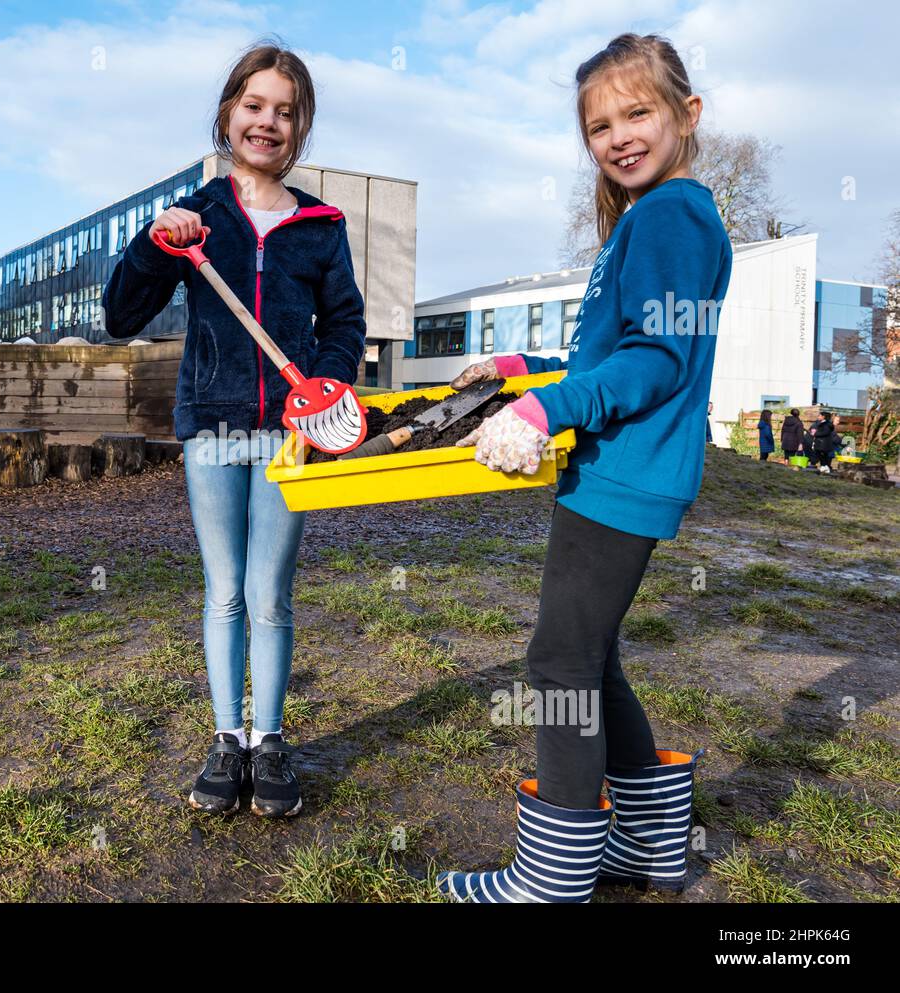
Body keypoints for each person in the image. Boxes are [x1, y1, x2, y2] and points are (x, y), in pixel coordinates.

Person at [437, 33, 732, 904]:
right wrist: (525, 373)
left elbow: (656, 361)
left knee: (559, 664)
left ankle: (555, 876)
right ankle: (649, 844)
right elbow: (611, 350)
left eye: (638, 112)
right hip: (620, 470)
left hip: (624, 473)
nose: (618, 135)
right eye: (600, 125)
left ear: (688, 114)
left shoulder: (672, 215)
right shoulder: (649, 217)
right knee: (591, 657)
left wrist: (549, 412)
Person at [101, 41, 365, 818]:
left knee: (270, 593)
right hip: (213, 432)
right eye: (255, 105)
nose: (268, 122)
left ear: (301, 127)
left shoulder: (321, 223)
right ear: (228, 113)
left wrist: (327, 383)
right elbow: (120, 317)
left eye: (286, 111)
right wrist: (154, 245)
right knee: (224, 592)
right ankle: (227, 738)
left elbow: (344, 321)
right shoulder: (199, 217)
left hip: (290, 436)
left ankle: (271, 740)